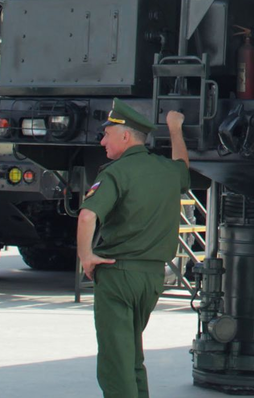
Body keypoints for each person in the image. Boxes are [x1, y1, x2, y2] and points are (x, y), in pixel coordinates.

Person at [78, 100, 189, 398]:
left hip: (117, 274)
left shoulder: (116, 172)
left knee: (116, 362)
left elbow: (87, 216)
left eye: (107, 135)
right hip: (151, 279)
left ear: (125, 136)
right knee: (132, 357)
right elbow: (183, 168)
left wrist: (86, 256)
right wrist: (175, 130)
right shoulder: (166, 170)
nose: (102, 142)